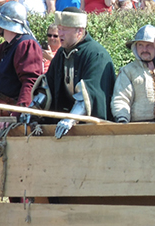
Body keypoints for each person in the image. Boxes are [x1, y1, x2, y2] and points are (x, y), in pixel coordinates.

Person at [25, 7, 115, 138]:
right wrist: (32, 110)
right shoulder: (62, 53)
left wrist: (70, 119)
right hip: (63, 121)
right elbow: (47, 86)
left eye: (64, 29)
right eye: (59, 28)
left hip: (92, 128)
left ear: (79, 31)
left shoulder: (96, 55)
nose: (59, 33)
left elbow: (89, 94)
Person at [0, 1, 43, 130]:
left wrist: (16, 114)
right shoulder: (2, 48)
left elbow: (30, 82)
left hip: (12, 119)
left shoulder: (26, 45)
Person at [112, 25, 155, 123]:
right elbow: (121, 98)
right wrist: (122, 118)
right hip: (139, 126)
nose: (144, 49)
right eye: (140, 45)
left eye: (149, 45)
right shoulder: (128, 71)